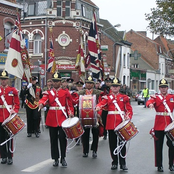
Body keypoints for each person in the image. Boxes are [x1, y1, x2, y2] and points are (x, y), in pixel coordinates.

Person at [96, 77, 133, 171]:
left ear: (119, 87)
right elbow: (102, 103)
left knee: (122, 144)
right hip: (111, 123)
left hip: (121, 123)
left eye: (117, 86)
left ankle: (123, 163)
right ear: (111, 88)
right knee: (112, 144)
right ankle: (114, 162)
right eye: (113, 86)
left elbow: (128, 109)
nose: (115, 88)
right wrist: (98, 107)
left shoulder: (124, 98)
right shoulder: (108, 98)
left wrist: (128, 117)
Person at [38, 71, 74, 167]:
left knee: (62, 138)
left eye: (57, 81)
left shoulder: (65, 92)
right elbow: (44, 99)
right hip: (52, 118)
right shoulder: (48, 92)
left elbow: (69, 104)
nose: (55, 83)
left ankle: (63, 158)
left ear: (60, 82)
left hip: (62, 118)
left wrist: (70, 113)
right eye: (54, 81)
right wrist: (41, 104)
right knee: (53, 139)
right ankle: (55, 159)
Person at [146, 78, 174, 172]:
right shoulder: (156, 97)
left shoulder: (172, 97)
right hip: (159, 124)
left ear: (167, 88)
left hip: (169, 125)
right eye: (161, 87)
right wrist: (150, 105)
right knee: (158, 146)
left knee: (172, 145)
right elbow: (149, 102)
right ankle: (159, 165)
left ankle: (171, 164)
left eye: (165, 87)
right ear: (159, 88)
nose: (163, 89)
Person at [77, 75, 102, 158]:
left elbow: (101, 103)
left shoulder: (98, 93)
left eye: (91, 83)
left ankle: (94, 150)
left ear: (93, 84)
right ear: (85, 84)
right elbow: (78, 104)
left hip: (95, 116)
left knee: (95, 134)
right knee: (85, 134)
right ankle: (85, 151)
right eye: (87, 83)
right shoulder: (80, 93)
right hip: (84, 116)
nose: (89, 85)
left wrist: (99, 114)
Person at [0, 70, 20, 165]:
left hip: (9, 117)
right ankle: (3, 156)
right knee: (1, 138)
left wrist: (14, 111)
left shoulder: (13, 90)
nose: (3, 81)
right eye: (2, 79)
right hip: (0, 117)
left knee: (9, 138)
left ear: (7, 80)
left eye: (5, 79)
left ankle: (10, 156)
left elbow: (17, 103)